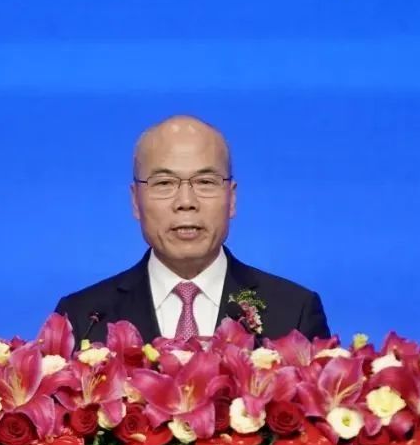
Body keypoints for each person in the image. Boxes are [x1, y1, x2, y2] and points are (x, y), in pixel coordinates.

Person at [54, 115, 330, 345]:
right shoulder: (83, 318)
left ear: (232, 198)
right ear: (135, 201)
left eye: (205, 182)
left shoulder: (294, 312)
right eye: (164, 183)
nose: (186, 202)